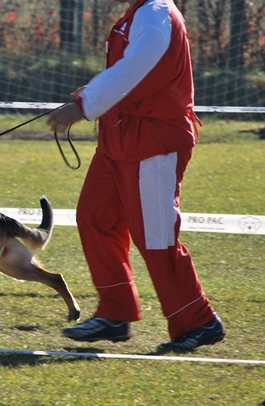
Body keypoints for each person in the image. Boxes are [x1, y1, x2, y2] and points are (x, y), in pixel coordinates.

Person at [45, 0, 225, 352]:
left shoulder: (156, 14)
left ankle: (198, 321)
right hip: (118, 140)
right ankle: (115, 312)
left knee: (156, 237)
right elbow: (129, 73)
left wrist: (85, 104)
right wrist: (93, 96)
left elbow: (136, 71)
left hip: (152, 141)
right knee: (95, 218)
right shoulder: (141, 12)